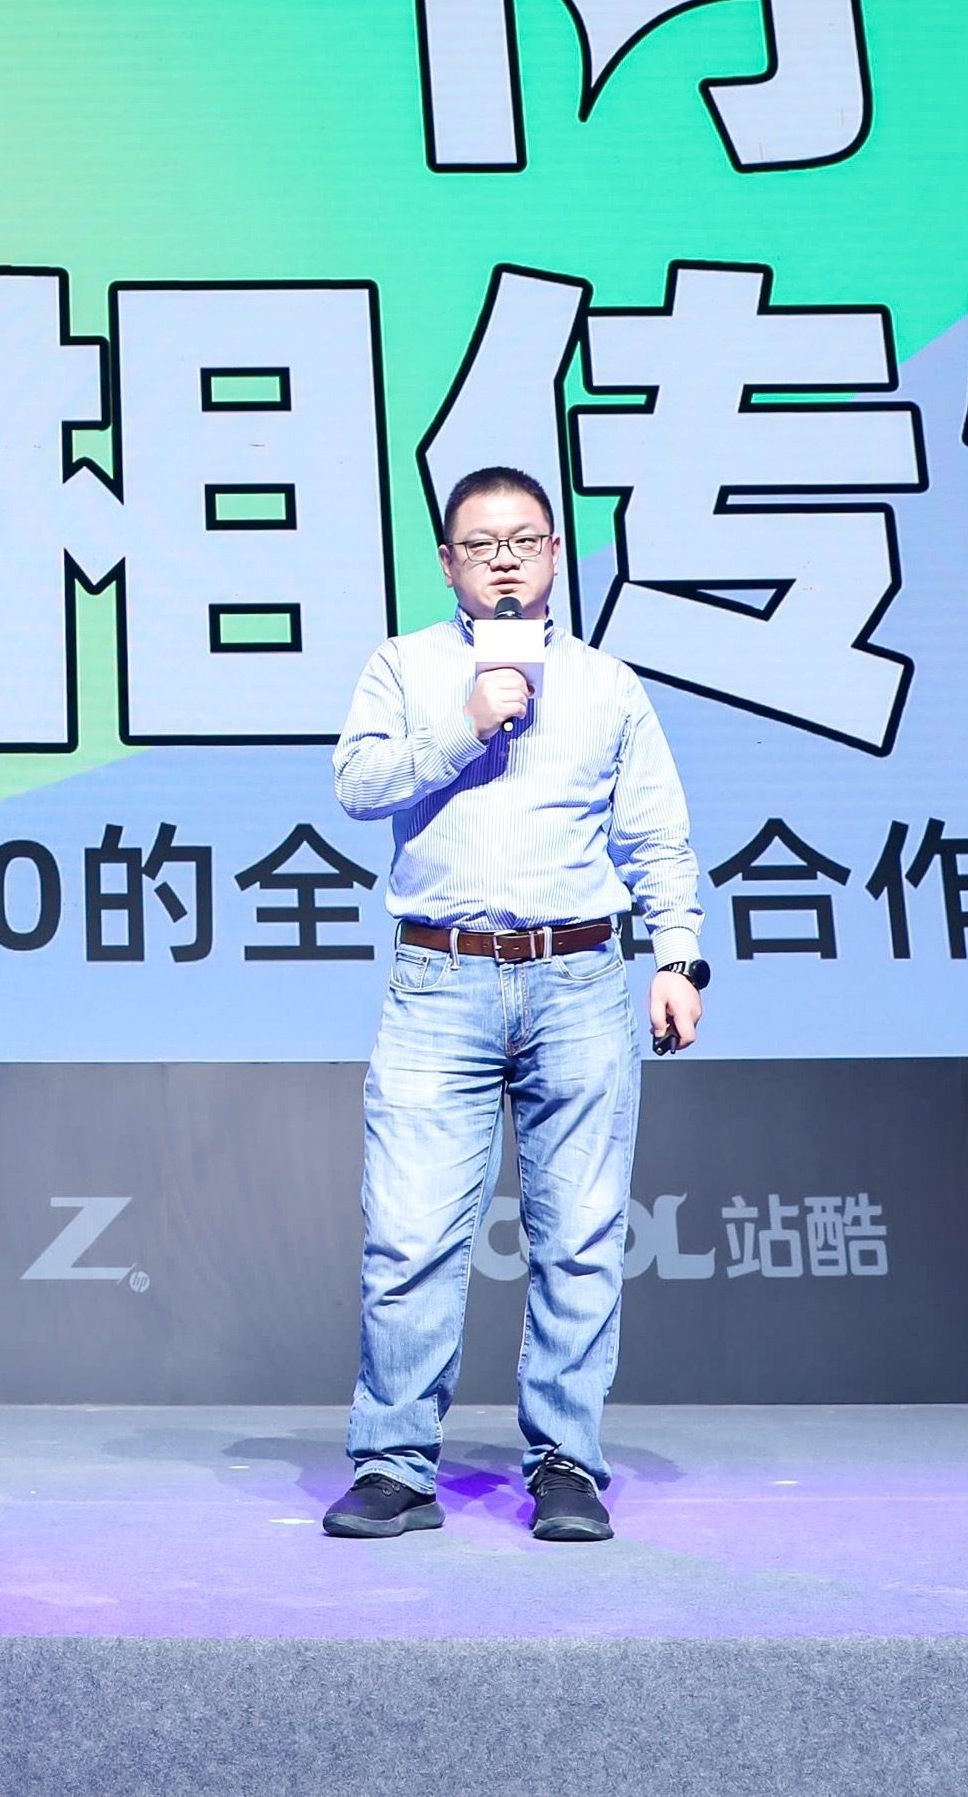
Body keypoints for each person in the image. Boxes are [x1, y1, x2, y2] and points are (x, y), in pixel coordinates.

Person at [317, 464, 706, 1545]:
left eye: (525, 541)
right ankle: (395, 1466)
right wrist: (464, 724)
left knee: (580, 1239)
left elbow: (657, 836)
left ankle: (567, 1465)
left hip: (580, 979)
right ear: (448, 561)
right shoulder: (404, 667)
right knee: (408, 1238)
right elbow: (357, 787)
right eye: (481, 544)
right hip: (439, 980)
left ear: (554, 557)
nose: (503, 561)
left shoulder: (608, 684)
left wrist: (679, 958)